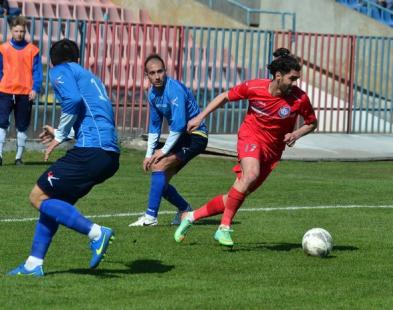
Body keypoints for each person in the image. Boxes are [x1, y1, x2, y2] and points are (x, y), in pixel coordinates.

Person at [174, 48, 318, 247]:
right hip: (250, 137)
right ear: (278, 76)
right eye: (292, 79)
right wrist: (200, 117)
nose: (295, 84)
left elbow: (312, 122)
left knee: (237, 193)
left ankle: (191, 216)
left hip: (273, 150)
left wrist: (296, 134)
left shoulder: (300, 99)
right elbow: (225, 96)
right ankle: (223, 228)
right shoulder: (254, 87)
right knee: (250, 174)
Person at [7, 39, 120, 277]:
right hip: (107, 154)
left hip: (92, 151)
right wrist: (65, 133)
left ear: (53, 61)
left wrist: (60, 134)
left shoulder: (61, 70)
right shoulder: (91, 77)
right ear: (77, 59)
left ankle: (96, 233)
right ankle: (32, 264)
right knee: (52, 203)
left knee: (37, 196)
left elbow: (73, 101)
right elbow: (92, 115)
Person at [128, 54, 208, 227]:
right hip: (181, 137)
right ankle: (184, 209)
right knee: (161, 182)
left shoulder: (174, 89)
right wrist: (149, 154)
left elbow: (179, 125)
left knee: (159, 166)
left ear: (165, 71)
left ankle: (150, 218)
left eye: (160, 71)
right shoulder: (152, 95)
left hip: (196, 136)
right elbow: (155, 126)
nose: (157, 76)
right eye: (152, 73)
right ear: (146, 75)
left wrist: (163, 151)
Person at [0, 15, 42, 166]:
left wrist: (35, 88)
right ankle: (0, 155)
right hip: (5, 91)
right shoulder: (3, 49)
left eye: (22, 31)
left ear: (25, 32)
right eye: (16, 31)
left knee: (22, 125)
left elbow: (37, 72)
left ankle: (18, 157)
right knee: (1, 123)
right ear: (11, 30)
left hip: (25, 93)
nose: (19, 34)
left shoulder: (33, 50)